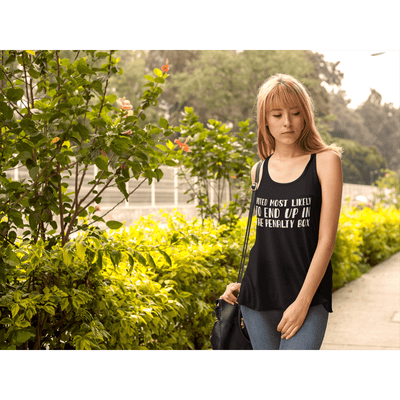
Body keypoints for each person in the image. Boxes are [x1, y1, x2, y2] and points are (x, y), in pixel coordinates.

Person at [219, 73, 343, 350]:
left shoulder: (325, 162)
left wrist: (302, 302)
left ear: (306, 116)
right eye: (277, 114)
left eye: (295, 113)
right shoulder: (258, 170)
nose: (287, 122)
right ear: (265, 120)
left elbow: (326, 241)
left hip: (307, 298)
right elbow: (265, 240)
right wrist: (242, 284)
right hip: (257, 297)